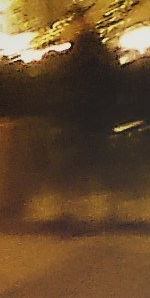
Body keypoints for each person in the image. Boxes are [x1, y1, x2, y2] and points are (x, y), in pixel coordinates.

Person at [49, 16, 119, 228]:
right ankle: (106, 211)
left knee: (76, 168)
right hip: (95, 116)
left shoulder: (81, 54)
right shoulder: (98, 52)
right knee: (95, 165)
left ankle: (74, 215)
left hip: (82, 116)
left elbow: (71, 84)